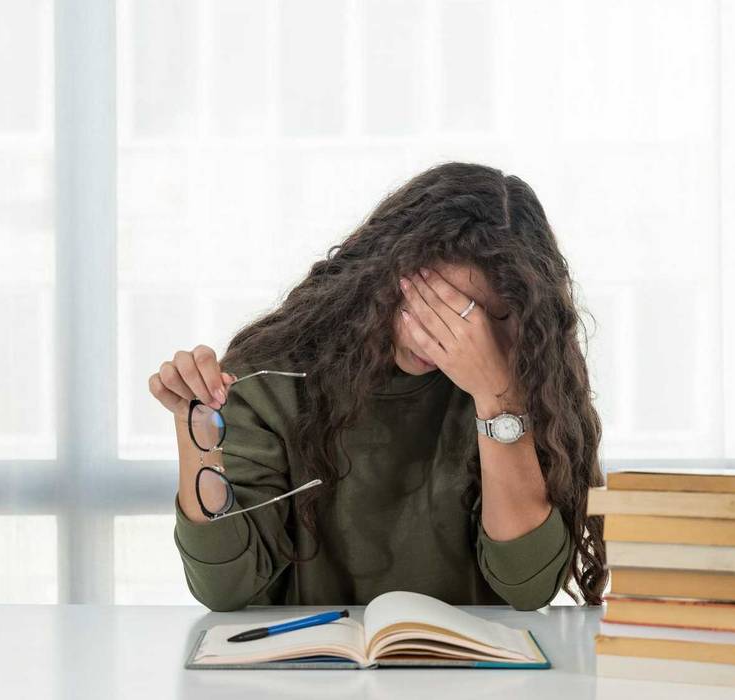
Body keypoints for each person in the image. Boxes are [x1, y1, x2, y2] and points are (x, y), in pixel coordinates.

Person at [148, 162, 606, 612]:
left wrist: (498, 401)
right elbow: (225, 588)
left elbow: (528, 586)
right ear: (386, 275)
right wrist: (199, 440)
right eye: (438, 302)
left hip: (474, 677)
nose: (452, 336)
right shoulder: (272, 374)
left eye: (490, 315)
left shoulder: (527, 378)